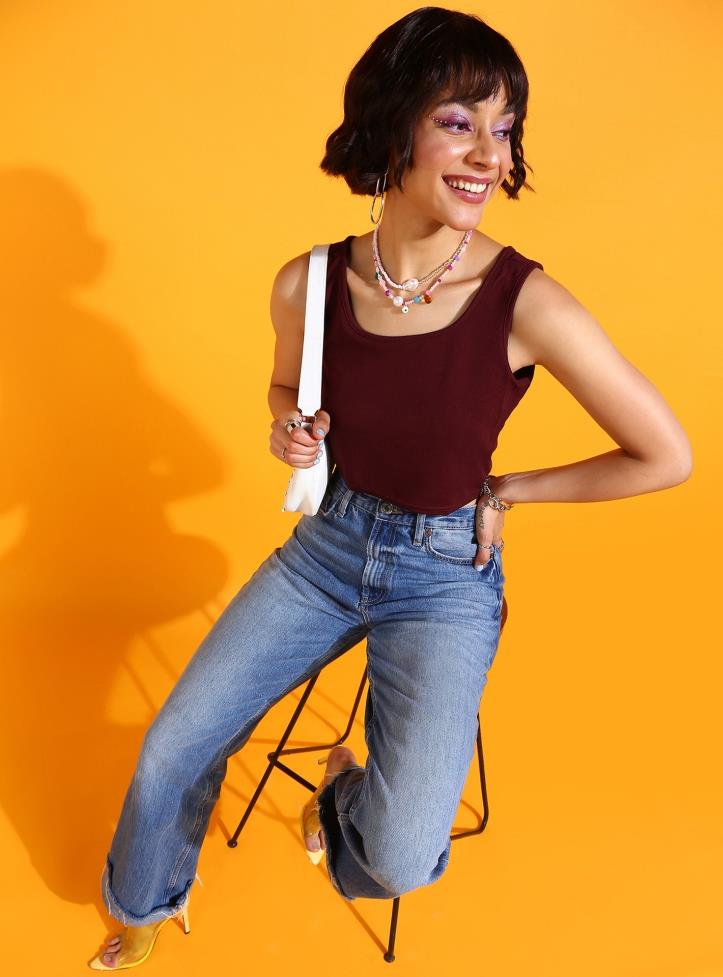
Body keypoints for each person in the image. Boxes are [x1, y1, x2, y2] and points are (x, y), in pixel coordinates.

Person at [88, 5, 692, 970]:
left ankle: (337, 795)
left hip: (447, 573)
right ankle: (148, 898)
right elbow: (286, 386)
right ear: (394, 125)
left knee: (408, 852)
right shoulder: (308, 283)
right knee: (171, 747)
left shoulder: (524, 299)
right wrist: (287, 425)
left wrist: (511, 491)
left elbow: (666, 453)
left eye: (504, 130)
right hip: (326, 550)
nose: (489, 155)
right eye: (460, 122)